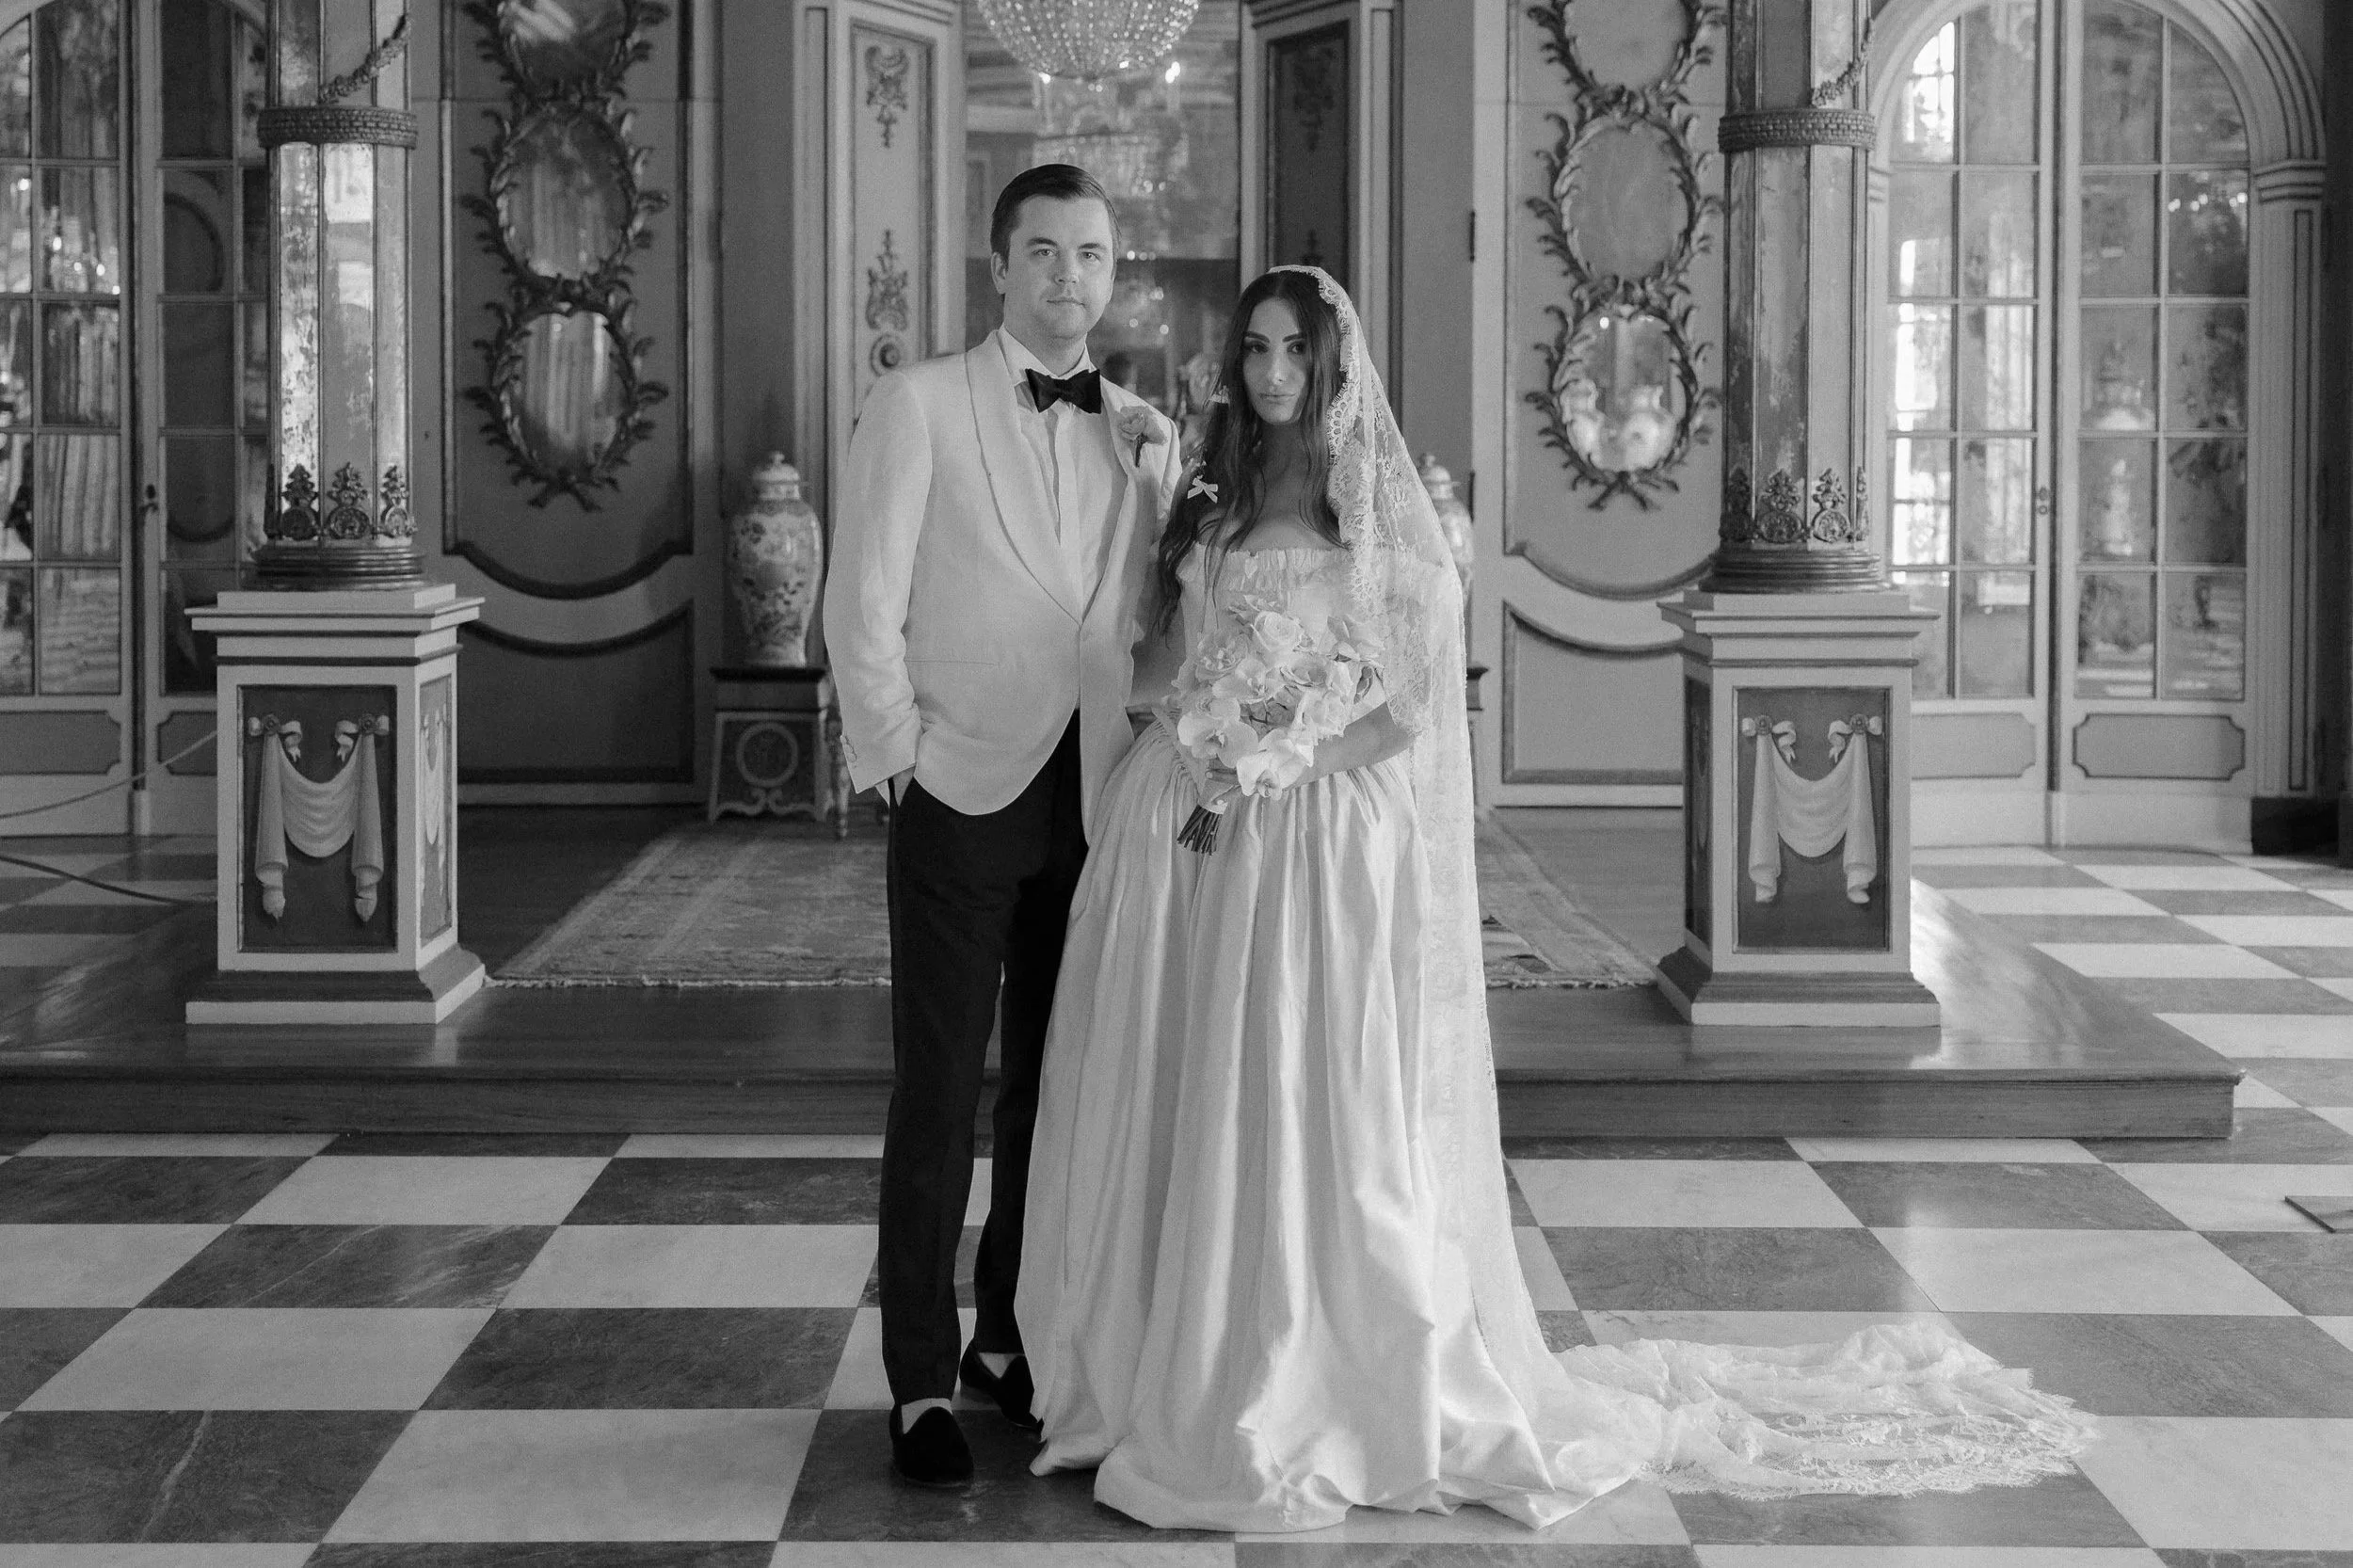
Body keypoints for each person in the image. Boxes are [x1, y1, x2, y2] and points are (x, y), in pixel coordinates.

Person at [1016, 265, 2095, 1531]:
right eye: (1255, 348)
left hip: (1316, 835)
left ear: (1335, 365)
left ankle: (1308, 1353)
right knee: (1190, 1073)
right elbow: (1163, 659)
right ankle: (1174, 1343)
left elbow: (1410, 712)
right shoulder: (1209, 498)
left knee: (1312, 1086)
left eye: (1295, 350)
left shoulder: (1383, 519)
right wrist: (1203, 723)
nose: (1271, 373)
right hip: (1199, 828)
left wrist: (1291, 752)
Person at [824, 164, 1183, 1489]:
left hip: (1092, 797)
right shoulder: (918, 404)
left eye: (1090, 254)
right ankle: (919, 1375)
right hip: (959, 789)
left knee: (1051, 1085)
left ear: (1111, 270)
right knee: (937, 1091)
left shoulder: (1140, 430)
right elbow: (860, 601)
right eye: (1044, 252)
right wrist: (896, 765)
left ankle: (1008, 1335)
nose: (1068, 277)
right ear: (999, 266)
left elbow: (1146, 612)